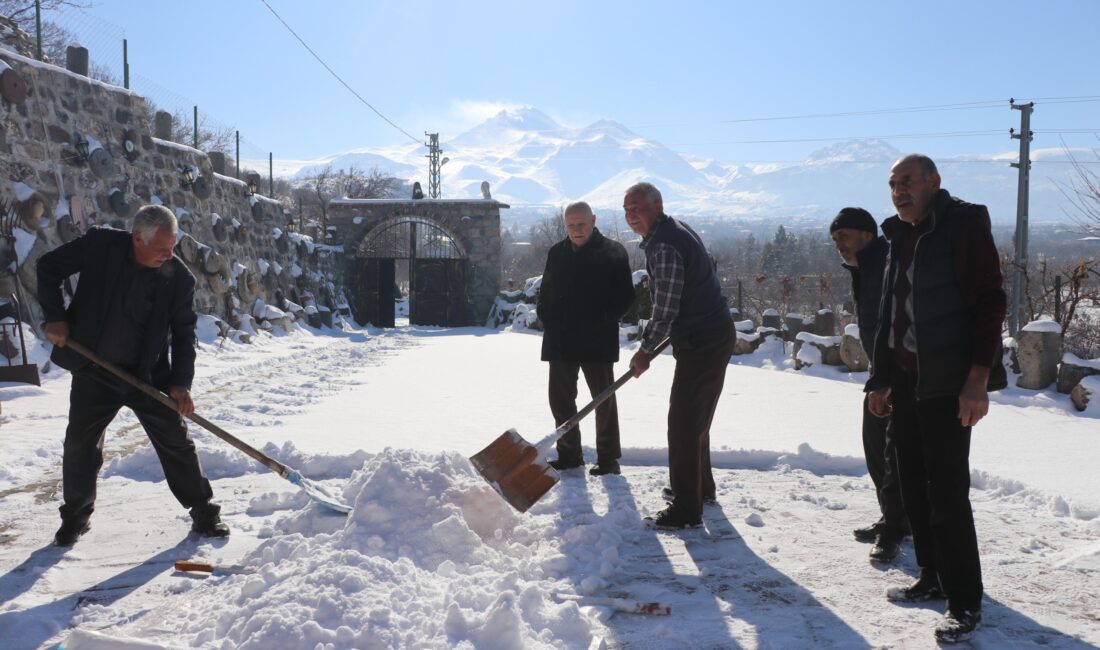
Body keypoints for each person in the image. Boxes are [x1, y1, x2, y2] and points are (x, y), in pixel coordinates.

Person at [867, 154, 1006, 644]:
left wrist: (978, 379)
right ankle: (933, 576)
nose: (899, 191)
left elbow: (991, 300)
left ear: (934, 182)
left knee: (947, 494)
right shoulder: (899, 235)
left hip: (949, 384)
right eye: (892, 184)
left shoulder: (964, 225)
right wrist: (881, 378)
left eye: (907, 182)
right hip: (906, 382)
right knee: (914, 486)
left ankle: (965, 601)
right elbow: (892, 313)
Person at [37, 205, 229, 546]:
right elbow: (48, 267)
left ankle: (203, 510)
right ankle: (75, 518)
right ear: (138, 239)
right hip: (95, 367)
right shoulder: (100, 246)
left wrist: (181, 383)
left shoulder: (180, 279)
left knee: (175, 440)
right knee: (81, 443)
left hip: (148, 375)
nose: (169, 255)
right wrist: (55, 316)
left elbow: (184, 335)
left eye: (172, 247)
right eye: (162, 248)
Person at [624, 182, 734, 529]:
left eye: (637, 208)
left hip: (704, 339)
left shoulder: (665, 245)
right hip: (709, 333)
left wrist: (644, 350)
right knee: (694, 420)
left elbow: (666, 307)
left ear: (657, 206)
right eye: (627, 209)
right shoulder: (676, 229)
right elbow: (706, 269)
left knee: (684, 423)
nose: (631, 216)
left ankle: (687, 509)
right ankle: (699, 490)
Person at [831, 207, 910, 563]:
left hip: (897, 374)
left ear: (866, 233)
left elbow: (895, 325)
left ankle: (895, 528)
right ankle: (893, 517)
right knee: (878, 446)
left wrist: (889, 379)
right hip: (882, 372)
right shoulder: (867, 266)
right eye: (834, 240)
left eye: (843, 236)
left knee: (893, 453)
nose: (839, 245)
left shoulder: (884, 264)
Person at [538, 201, 635, 475]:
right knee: (560, 401)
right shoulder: (556, 253)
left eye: (581, 223)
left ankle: (608, 459)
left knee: (603, 400)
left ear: (593, 220)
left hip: (597, 339)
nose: (576, 229)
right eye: (571, 225)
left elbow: (625, 297)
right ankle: (569, 455)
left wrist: (600, 318)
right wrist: (548, 316)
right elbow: (545, 292)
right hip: (560, 340)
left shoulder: (613, 251)